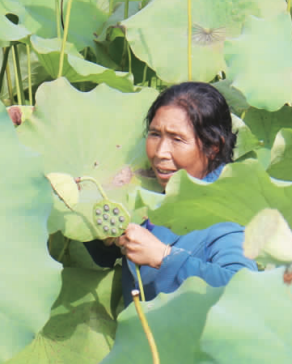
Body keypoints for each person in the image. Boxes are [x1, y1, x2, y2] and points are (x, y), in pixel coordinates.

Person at [87, 82, 257, 306]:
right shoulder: (149, 190)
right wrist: (105, 238)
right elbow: (107, 258)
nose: (160, 153)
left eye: (177, 139)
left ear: (213, 146)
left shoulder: (227, 211)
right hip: (138, 336)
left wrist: (164, 257)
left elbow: (246, 291)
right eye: (155, 134)